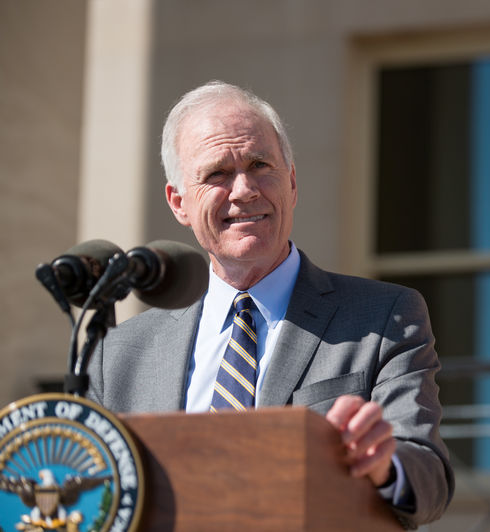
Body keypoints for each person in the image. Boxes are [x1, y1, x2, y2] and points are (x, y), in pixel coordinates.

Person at [86, 80, 453, 528]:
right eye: (217, 173)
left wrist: (383, 464)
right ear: (179, 202)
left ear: (292, 183)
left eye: (260, 165)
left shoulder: (386, 316)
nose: (244, 190)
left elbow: (428, 475)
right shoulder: (119, 355)